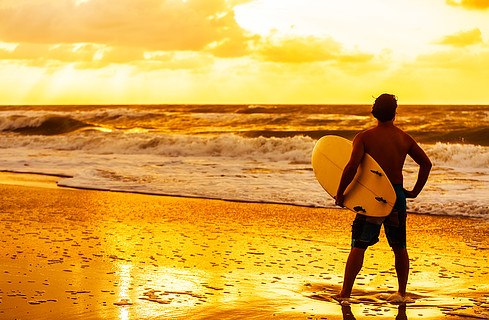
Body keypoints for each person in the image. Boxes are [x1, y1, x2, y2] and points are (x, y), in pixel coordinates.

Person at [334, 93, 432, 303]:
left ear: (374, 111)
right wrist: (414, 192)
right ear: (395, 112)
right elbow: (426, 164)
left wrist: (341, 192)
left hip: (372, 196)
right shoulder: (404, 138)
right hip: (396, 195)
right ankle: (402, 293)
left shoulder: (364, 137)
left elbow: (352, 167)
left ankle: (345, 294)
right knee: (399, 247)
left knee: (358, 245)